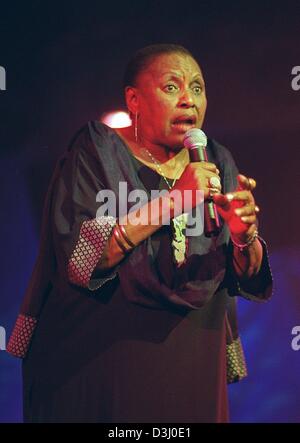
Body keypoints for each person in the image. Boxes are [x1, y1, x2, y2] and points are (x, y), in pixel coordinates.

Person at [7, 44, 272, 423]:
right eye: (171, 87)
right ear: (134, 99)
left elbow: (244, 276)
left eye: (197, 88)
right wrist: (174, 201)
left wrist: (245, 236)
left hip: (192, 364)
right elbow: (82, 260)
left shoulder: (216, 161)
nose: (188, 100)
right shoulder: (96, 153)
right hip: (98, 362)